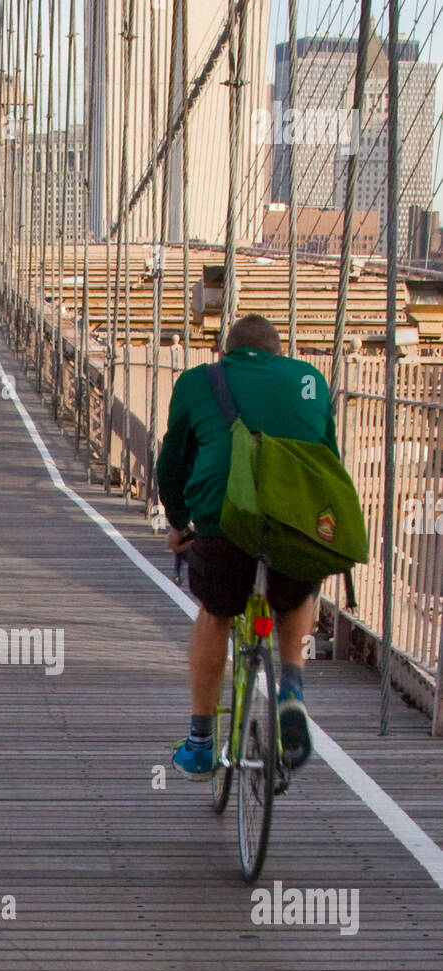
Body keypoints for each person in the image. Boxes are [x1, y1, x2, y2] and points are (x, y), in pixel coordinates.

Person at [156, 314, 338, 779]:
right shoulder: (309, 379)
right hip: (294, 523)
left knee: (216, 612)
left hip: (224, 524)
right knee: (297, 591)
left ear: (225, 354)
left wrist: (178, 524)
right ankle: (292, 686)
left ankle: (200, 743)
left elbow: (174, 463)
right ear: (278, 354)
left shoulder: (200, 382)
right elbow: (329, 462)